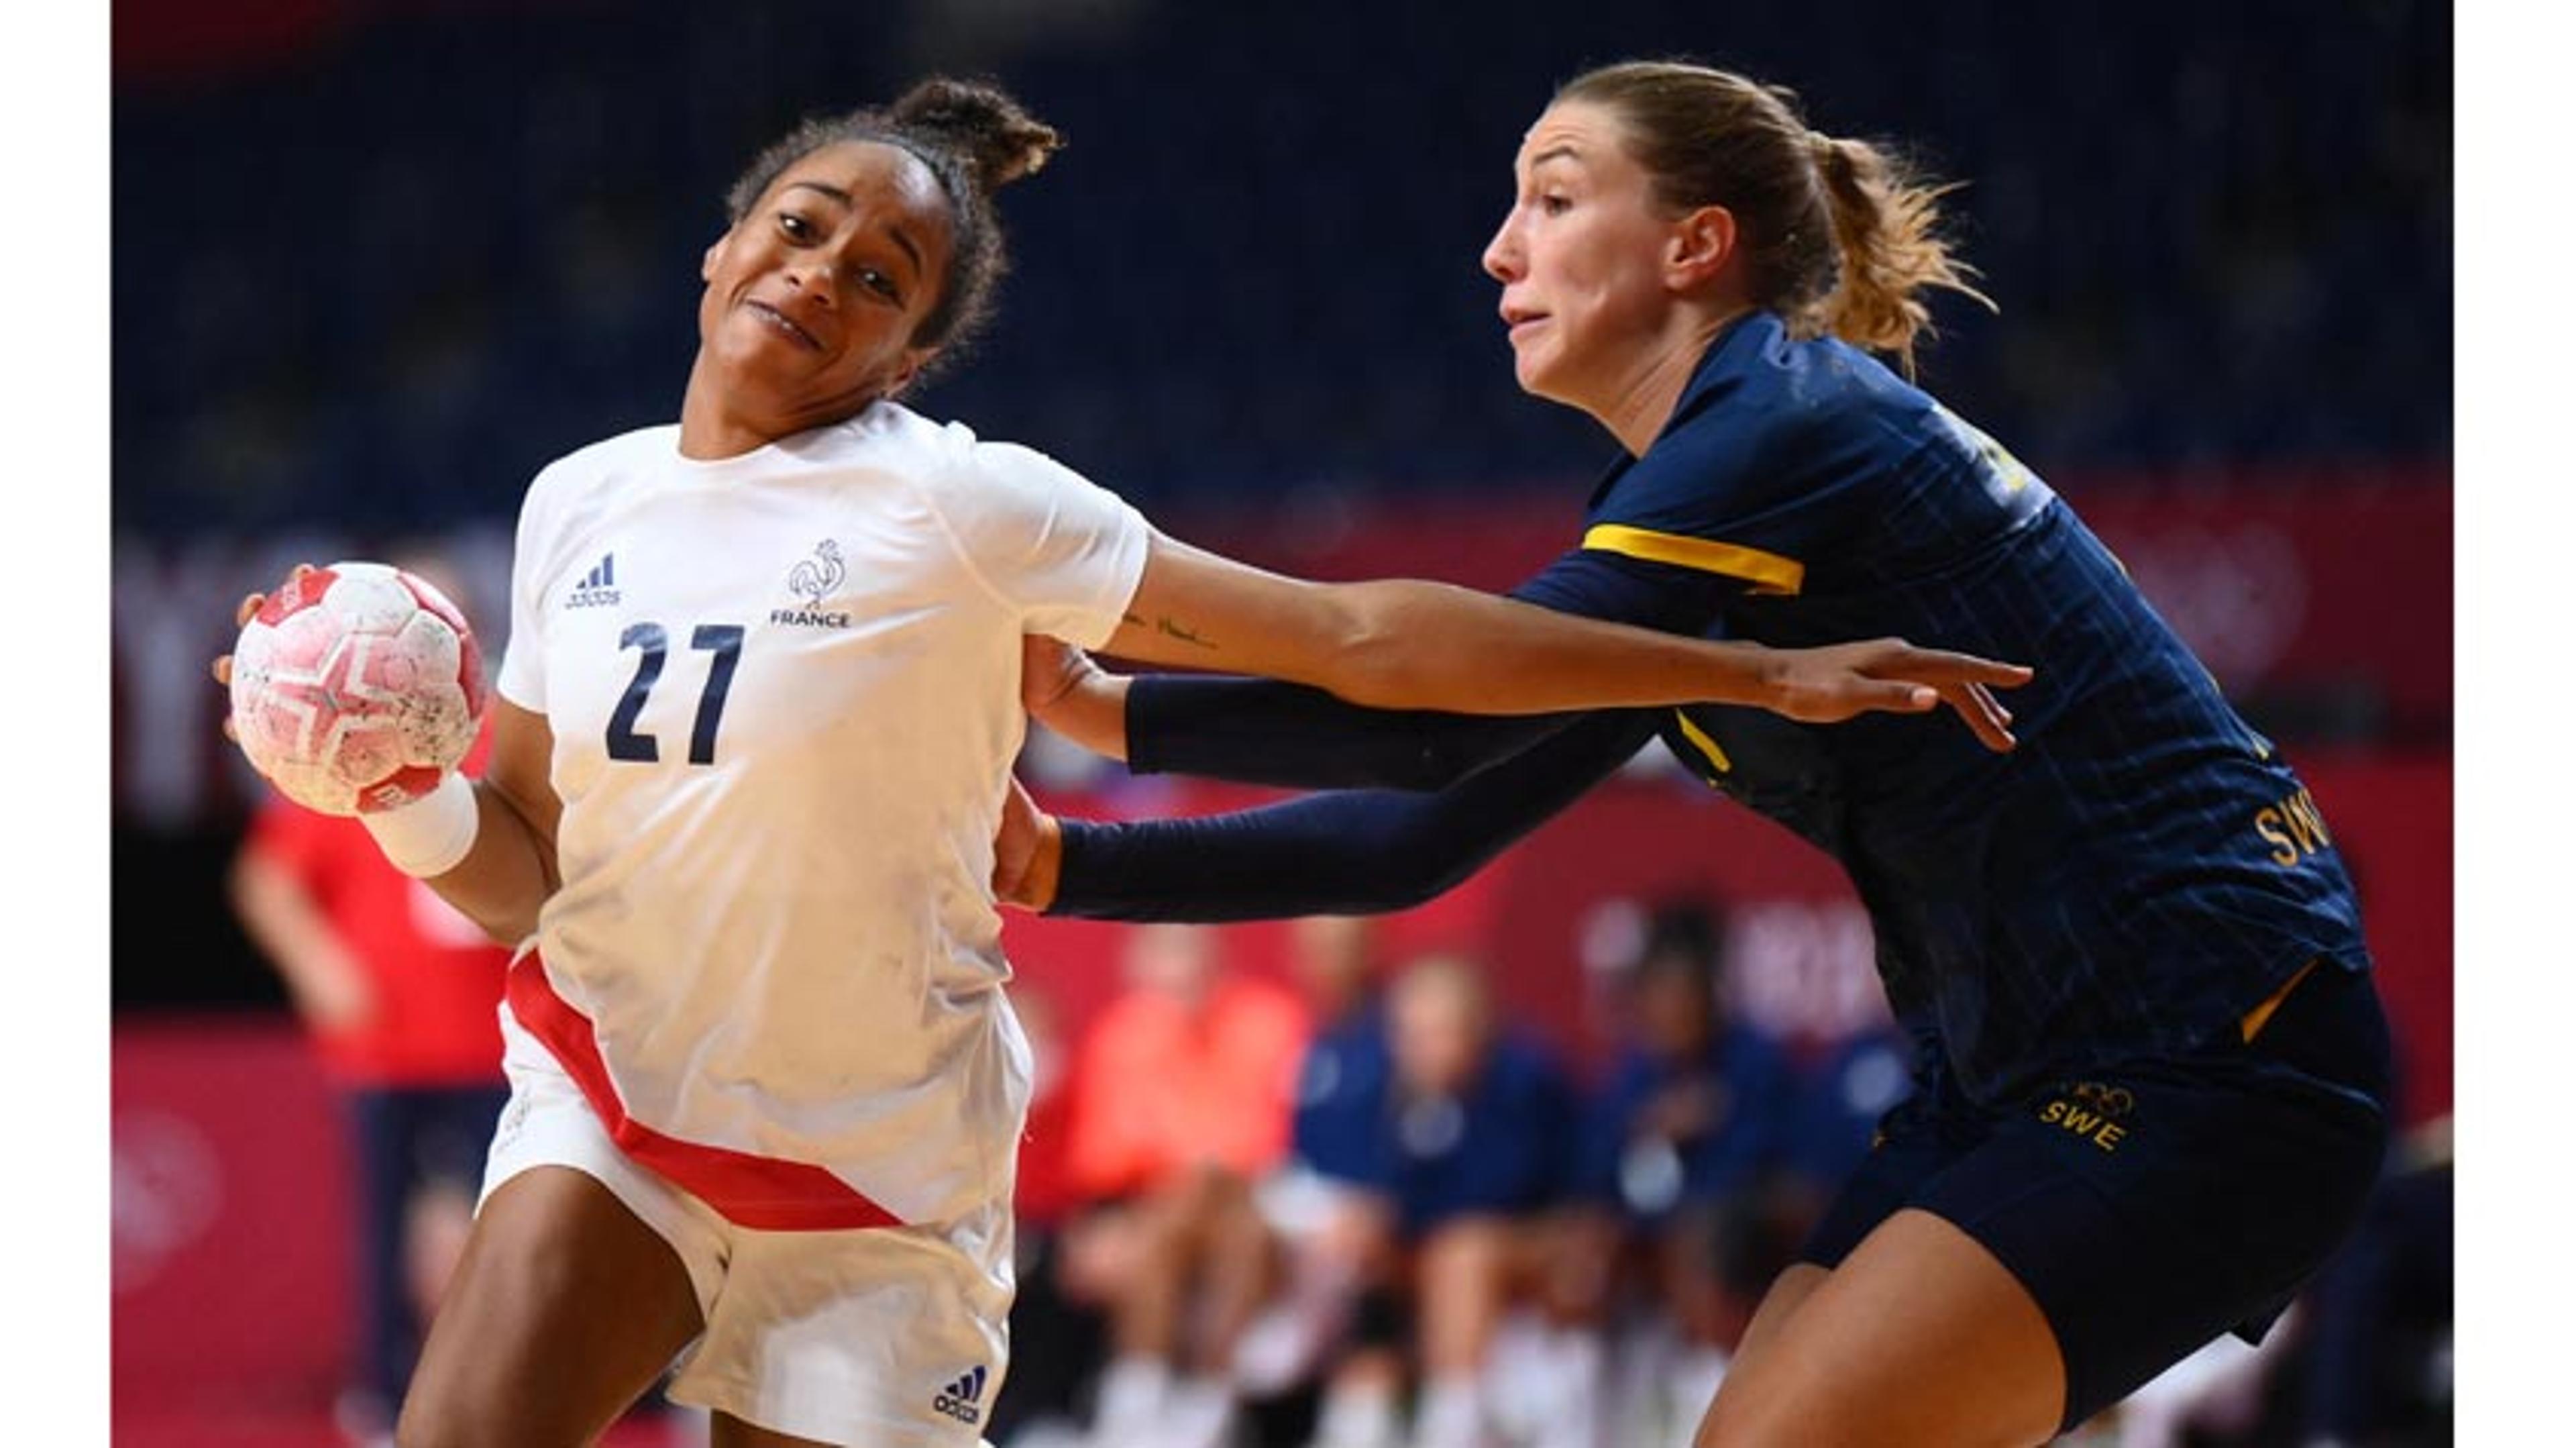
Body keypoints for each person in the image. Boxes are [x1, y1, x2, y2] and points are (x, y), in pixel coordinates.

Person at [210, 76, 2030, 1448]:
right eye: (802, 224)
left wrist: (1751, 666)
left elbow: (1361, 647)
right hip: (618, 1101)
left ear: (909, 347)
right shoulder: (575, 500)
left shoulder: (960, 500)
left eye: (883, 270)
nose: (824, 271)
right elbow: (533, 872)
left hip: (879, 1178)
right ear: (723, 240)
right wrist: (407, 798)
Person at [1000, 59, 2394, 1447]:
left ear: (1696, 245)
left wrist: (1111, 653)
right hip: (2010, 1067)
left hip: (2217, 1046)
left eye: (1552, 198)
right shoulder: (1692, 511)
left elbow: (1421, 703)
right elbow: (1421, 820)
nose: (1499, 248)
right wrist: (1070, 858)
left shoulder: (1786, 424)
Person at [229, 650, 514, 1448]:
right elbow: (268, 878)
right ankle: (386, 1393)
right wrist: (320, 964)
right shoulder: (339, 749)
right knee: (386, 1220)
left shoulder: (508, 745)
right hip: (385, 1040)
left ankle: (518, 1386)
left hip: (503, 1039)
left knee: (510, 1223)